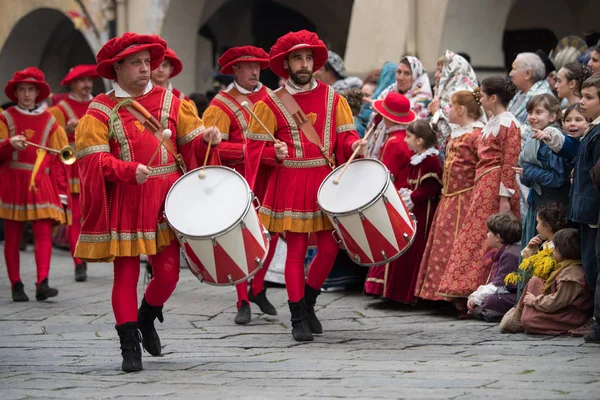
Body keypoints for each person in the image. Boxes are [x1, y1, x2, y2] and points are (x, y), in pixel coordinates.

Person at [74, 32, 221, 372]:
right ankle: (129, 345)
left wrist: (207, 139)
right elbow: (91, 161)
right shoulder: (100, 110)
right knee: (124, 274)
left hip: (167, 200)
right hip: (128, 197)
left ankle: (147, 316)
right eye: (136, 64)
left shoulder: (174, 103)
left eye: (147, 63)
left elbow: (193, 145)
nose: (145, 69)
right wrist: (127, 171)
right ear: (117, 69)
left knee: (168, 273)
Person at [244, 30, 367, 342]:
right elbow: (253, 148)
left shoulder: (334, 99)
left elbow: (345, 137)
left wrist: (356, 144)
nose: (303, 63)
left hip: (325, 183)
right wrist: (273, 153)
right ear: (286, 64)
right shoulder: (271, 103)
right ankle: (297, 315)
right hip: (292, 181)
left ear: (315, 62)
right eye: (297, 58)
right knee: (296, 251)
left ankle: (309, 301)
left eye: (308, 57)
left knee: (329, 248)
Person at [201, 45, 278, 325]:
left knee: (273, 233)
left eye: (258, 66)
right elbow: (214, 150)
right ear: (234, 70)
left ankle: (258, 288)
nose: (255, 71)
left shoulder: (272, 97)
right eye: (248, 66)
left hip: (270, 176)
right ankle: (242, 299)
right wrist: (253, 151)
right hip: (239, 179)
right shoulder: (220, 105)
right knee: (241, 238)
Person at [437, 77, 521, 316]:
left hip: (495, 186)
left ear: (493, 98)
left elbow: (509, 161)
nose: (480, 99)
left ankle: (482, 290)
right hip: (483, 183)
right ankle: (466, 291)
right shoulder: (491, 123)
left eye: (483, 95)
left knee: (487, 237)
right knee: (474, 236)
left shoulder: (509, 123)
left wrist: (505, 196)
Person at [531, 74, 600, 343]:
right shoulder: (592, 131)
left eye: (589, 97)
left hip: (592, 209)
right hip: (585, 208)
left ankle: (595, 321)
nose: (582, 102)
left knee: (594, 265)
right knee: (592, 263)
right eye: (582, 96)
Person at [0, 67, 69, 302]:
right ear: (15, 93)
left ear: (38, 93)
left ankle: (43, 282)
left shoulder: (50, 121)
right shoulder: (5, 118)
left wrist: (62, 193)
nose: (27, 94)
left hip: (42, 182)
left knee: (43, 232)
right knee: (12, 235)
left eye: (31, 89)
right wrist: (9, 144)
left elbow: (59, 160)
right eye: (22, 90)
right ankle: (16, 284)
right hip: (13, 181)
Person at [416, 90, 484, 302]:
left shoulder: (476, 135)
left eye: (451, 107)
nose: (448, 111)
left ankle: (458, 295)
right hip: (450, 197)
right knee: (443, 244)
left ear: (461, 110)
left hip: (465, 198)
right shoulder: (458, 133)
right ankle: (440, 294)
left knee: (459, 246)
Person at [366, 118, 442, 303]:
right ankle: (396, 292)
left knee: (413, 250)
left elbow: (431, 189)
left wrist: (413, 197)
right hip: (415, 210)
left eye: (409, 137)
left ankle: (407, 293)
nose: (405, 140)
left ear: (420, 141)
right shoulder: (417, 159)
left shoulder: (430, 160)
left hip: (424, 212)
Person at [48, 64, 99, 282]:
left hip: (95, 165)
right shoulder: (60, 109)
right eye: (82, 81)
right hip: (73, 168)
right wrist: (64, 132)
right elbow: (50, 136)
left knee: (94, 213)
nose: (86, 85)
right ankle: (79, 262)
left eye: (89, 80)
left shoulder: (98, 105)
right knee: (75, 216)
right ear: (72, 83)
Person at [501, 228, 593, 335]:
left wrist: (535, 301)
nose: (553, 251)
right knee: (535, 281)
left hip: (570, 316)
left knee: (529, 321)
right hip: (557, 307)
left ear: (563, 250)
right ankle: (518, 316)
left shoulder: (571, 276)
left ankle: (523, 316)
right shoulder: (564, 266)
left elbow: (557, 302)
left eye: (555, 249)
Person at [516, 94, 571, 248]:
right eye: (530, 112)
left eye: (538, 112)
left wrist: (528, 171)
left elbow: (559, 178)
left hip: (553, 210)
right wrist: (525, 174)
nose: (532, 117)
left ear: (552, 116)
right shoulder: (535, 137)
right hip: (539, 205)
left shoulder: (553, 141)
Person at [365, 56, 432, 158]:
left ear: (416, 77)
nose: (400, 77)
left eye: (407, 73)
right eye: (399, 72)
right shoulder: (390, 91)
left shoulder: (422, 100)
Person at [467, 213, 522, 322]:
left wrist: (477, 298)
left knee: (491, 300)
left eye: (489, 232)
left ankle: (490, 312)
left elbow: (500, 285)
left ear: (497, 237)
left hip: (516, 295)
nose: (487, 234)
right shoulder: (508, 250)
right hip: (510, 292)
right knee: (487, 299)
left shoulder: (509, 255)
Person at [428, 50, 480, 161]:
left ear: (453, 73)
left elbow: (454, 135)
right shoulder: (443, 94)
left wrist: (436, 113)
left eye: (441, 71)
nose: (436, 75)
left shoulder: (464, 96)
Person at [150, 48, 198, 114]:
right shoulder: (140, 95)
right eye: (156, 65)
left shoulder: (182, 99)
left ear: (171, 69)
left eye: (165, 65)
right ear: (149, 68)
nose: (160, 70)